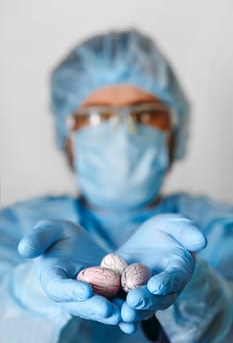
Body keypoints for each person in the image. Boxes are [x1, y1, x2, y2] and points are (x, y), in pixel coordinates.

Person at [0, 29, 232, 343]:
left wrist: (202, 295)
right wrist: (31, 294)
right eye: (97, 116)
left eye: (146, 113)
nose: (123, 134)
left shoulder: (221, 229)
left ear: (176, 130)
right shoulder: (14, 229)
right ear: (66, 135)